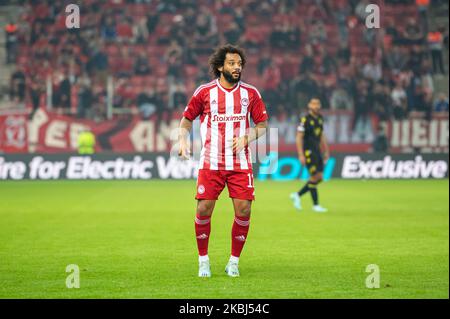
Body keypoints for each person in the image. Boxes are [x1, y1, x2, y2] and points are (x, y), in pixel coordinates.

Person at [177, 44, 268, 278]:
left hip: (240, 163)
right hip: (211, 162)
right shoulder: (205, 92)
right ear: (220, 67)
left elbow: (262, 126)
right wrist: (183, 140)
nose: (237, 67)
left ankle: (234, 262)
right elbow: (187, 119)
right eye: (231, 63)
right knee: (204, 208)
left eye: (239, 64)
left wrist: (247, 137)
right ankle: (203, 260)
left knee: (244, 209)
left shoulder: (251, 94)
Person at [290, 98, 329, 213]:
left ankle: (297, 195)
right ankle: (316, 205)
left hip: (317, 151)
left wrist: (326, 150)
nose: (316, 106)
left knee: (320, 177)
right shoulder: (305, 120)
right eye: (313, 104)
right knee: (314, 177)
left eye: (317, 104)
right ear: (309, 106)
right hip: (309, 152)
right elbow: (299, 137)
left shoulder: (320, 118)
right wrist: (301, 154)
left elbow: (321, 135)